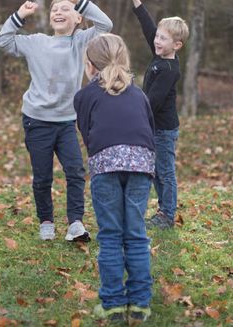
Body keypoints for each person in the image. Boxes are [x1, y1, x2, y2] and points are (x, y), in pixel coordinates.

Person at [0, 0, 112, 241]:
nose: (58, 12)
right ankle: (46, 221)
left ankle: (76, 223)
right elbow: (2, 41)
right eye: (54, 10)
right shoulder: (36, 42)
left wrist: (79, 1)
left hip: (67, 121)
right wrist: (20, 15)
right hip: (36, 120)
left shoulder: (81, 41)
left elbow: (106, 24)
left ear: (78, 18)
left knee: (75, 171)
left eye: (65, 9)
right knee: (43, 176)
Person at [74, 33, 155, 322]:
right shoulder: (138, 93)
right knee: (135, 235)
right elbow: (149, 129)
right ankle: (141, 304)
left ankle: (113, 304)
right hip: (141, 165)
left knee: (110, 236)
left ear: (90, 65)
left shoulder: (84, 96)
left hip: (105, 165)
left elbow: (87, 134)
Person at [120, 0, 188, 229]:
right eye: (157, 37)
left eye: (163, 39)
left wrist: (129, 107)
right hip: (153, 126)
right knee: (155, 171)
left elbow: (152, 102)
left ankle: (167, 215)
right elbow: (148, 27)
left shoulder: (170, 70)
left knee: (164, 172)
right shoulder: (160, 54)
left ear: (176, 45)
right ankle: (161, 211)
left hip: (163, 130)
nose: (157, 40)